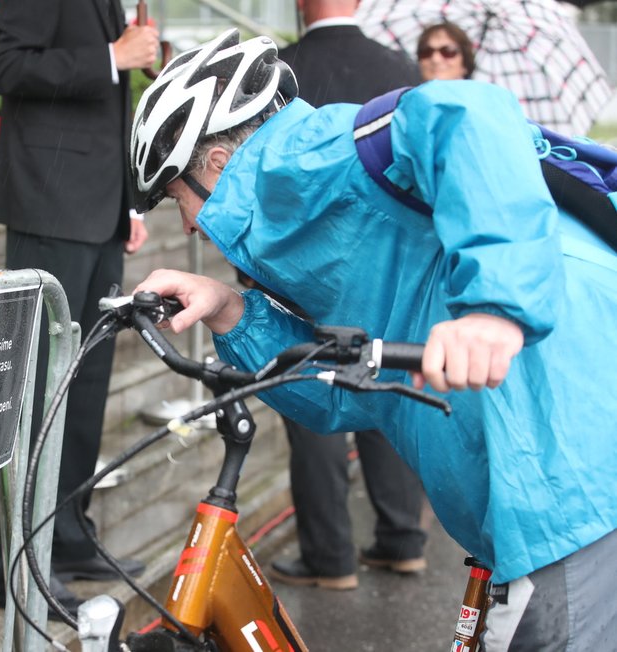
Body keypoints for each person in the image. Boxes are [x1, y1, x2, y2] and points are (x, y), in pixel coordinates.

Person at [128, 29, 617, 651]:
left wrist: (493, 309)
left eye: (177, 199)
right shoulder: (306, 229)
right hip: (532, 486)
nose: (191, 224)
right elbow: (354, 396)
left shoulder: (307, 160)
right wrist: (232, 312)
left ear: (220, 167)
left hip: (570, 472)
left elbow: (468, 112)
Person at [0, 0, 158, 611]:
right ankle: (22, 561)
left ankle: (70, 533)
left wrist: (129, 205)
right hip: (50, 207)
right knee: (39, 390)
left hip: (100, 212)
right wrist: (112, 56)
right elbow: (5, 67)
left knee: (85, 387)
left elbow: (107, 109)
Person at [254, 0, 427, 591]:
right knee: (385, 387)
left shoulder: (282, 70)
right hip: (387, 265)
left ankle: (330, 558)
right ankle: (402, 538)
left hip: (304, 267)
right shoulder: (400, 65)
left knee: (315, 396)